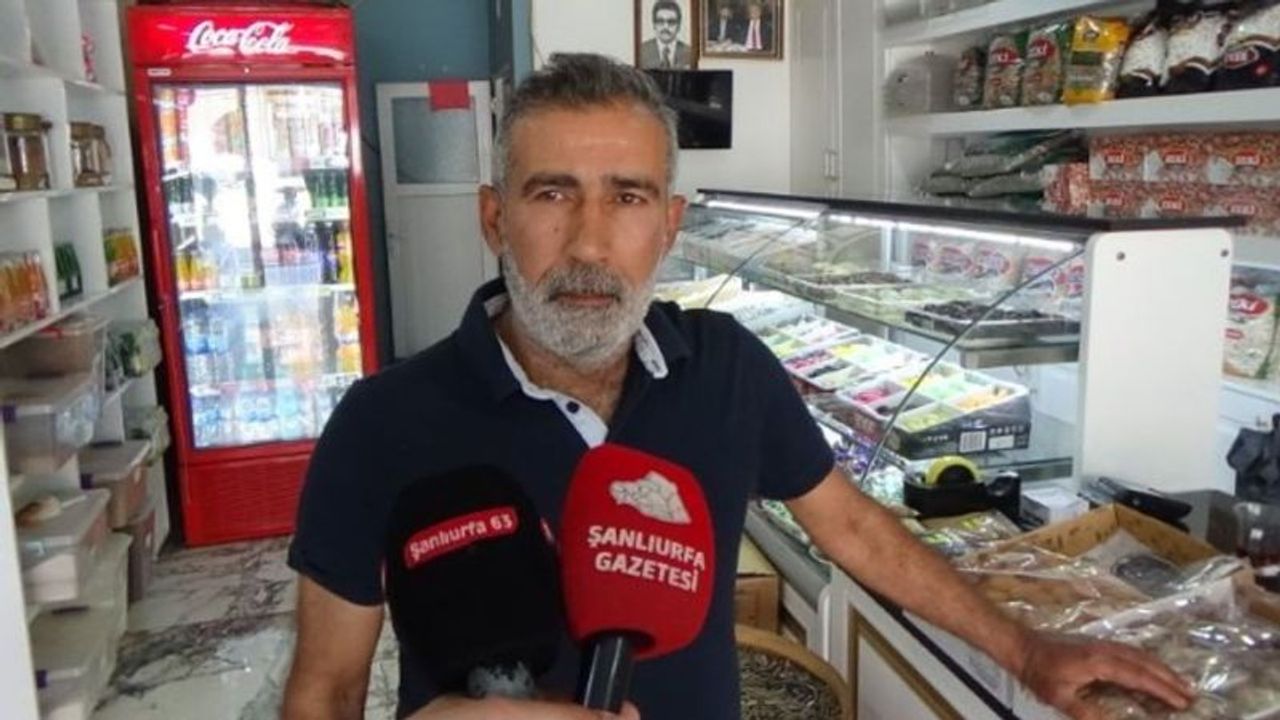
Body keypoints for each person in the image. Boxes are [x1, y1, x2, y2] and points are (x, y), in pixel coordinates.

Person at [282, 53, 1196, 720]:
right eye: (552, 194)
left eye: (629, 197)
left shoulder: (726, 368)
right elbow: (324, 690)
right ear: (494, 218)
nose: (591, 241)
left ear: (670, 225)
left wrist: (1024, 649)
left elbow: (852, 528)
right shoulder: (382, 424)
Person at [638, 0, 693, 70]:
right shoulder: (642, 51)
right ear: (654, 25)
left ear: (679, 26)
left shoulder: (690, 53)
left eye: (671, 22)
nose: (665, 27)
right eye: (660, 21)